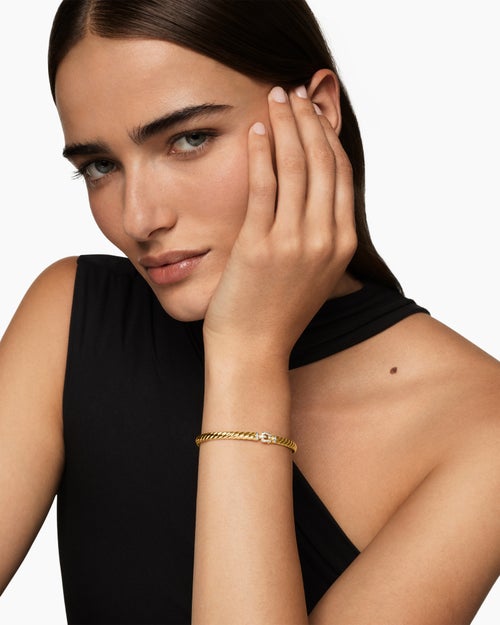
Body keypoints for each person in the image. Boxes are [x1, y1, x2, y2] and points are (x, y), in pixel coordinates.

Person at [0, 0, 499, 623]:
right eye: (100, 167)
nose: (139, 218)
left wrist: (247, 354)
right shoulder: (73, 318)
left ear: (319, 111)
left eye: (189, 139)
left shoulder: (482, 426)